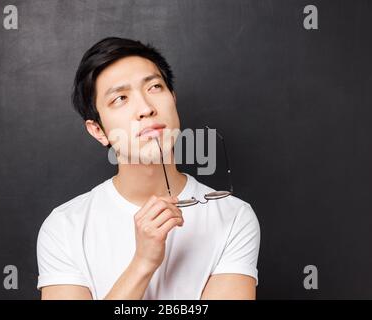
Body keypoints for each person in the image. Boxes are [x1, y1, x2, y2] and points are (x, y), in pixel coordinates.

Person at [36, 37, 260, 299]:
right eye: (120, 98)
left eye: (154, 87)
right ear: (98, 131)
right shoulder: (65, 227)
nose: (145, 108)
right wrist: (143, 263)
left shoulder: (232, 217)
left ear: (173, 99)